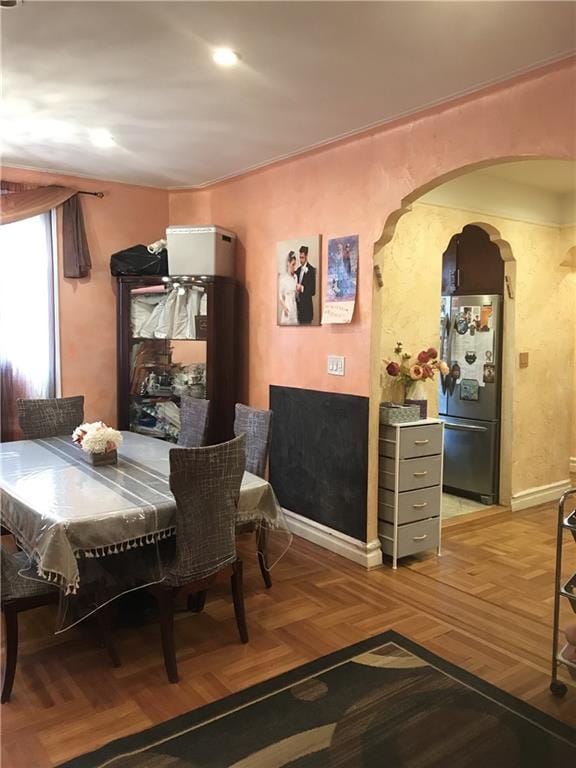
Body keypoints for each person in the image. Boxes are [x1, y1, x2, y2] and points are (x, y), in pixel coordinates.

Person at [295, 245, 316, 324]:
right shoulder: (298, 270)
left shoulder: (312, 270)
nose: (300, 260)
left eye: (302, 257)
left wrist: (302, 288)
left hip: (307, 310)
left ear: (307, 256)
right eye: (300, 257)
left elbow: (313, 291)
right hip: (298, 309)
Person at [278, 251, 298, 325]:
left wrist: (297, 291)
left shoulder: (295, 277)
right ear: (288, 264)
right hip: (287, 306)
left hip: (294, 307)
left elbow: (296, 295)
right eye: (293, 264)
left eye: (295, 264)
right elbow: (280, 296)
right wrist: (285, 307)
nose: (294, 267)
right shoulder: (283, 279)